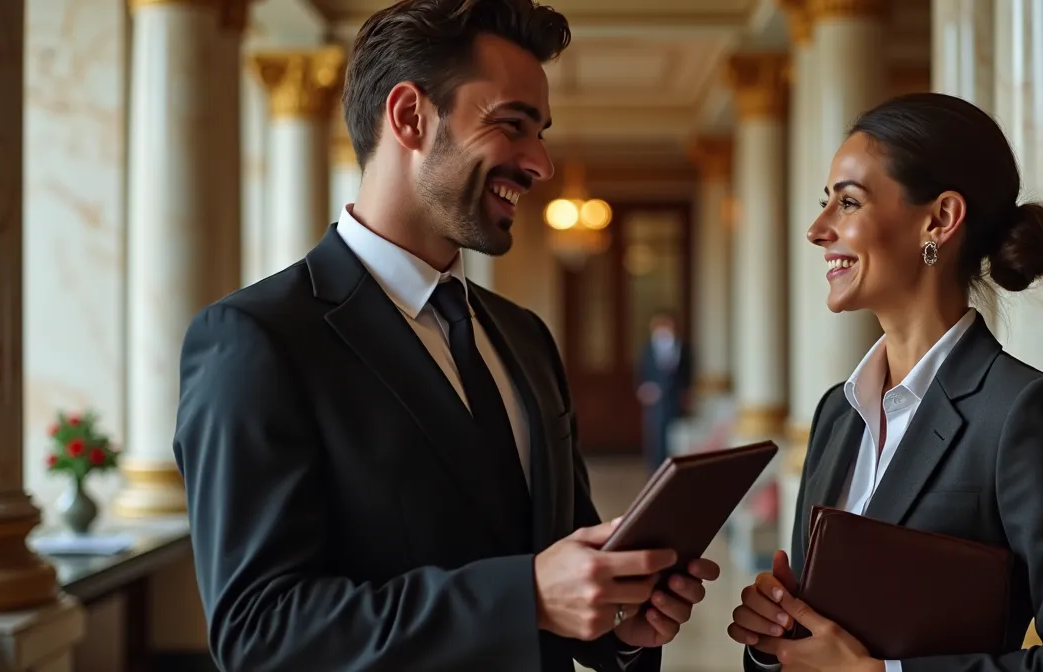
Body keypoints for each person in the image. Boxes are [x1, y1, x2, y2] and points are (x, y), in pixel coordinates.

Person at [172, 1, 719, 669]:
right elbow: (259, 633)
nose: (541, 164)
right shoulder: (257, 340)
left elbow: (562, 565)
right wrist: (524, 598)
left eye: (540, 133)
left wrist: (621, 626)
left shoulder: (525, 338)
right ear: (410, 117)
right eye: (512, 126)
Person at [727, 92, 1043, 671]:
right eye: (826, 203)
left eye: (847, 202)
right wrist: (773, 640)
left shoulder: (1023, 415)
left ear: (940, 219)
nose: (818, 229)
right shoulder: (835, 414)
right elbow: (817, 644)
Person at [635, 310, 693, 471]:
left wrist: (687, 393)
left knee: (675, 436)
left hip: (675, 399)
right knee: (655, 436)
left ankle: (674, 468)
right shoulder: (647, 348)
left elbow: (687, 373)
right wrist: (643, 389)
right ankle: (655, 470)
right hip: (655, 400)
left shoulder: (682, 347)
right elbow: (641, 372)